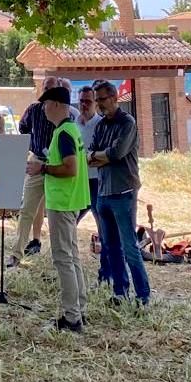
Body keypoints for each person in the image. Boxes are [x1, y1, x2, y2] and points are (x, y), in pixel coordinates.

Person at [25, 86, 90, 333]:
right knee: (72, 257)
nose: (42, 108)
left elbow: (70, 168)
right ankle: (79, 309)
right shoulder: (71, 130)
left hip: (62, 203)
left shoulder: (63, 133)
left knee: (63, 259)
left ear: (56, 105)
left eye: (45, 103)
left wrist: (42, 168)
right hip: (71, 201)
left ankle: (72, 318)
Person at [90, 81, 151, 305]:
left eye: (102, 100)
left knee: (129, 247)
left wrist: (100, 156)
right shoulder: (100, 126)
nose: (99, 105)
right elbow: (89, 155)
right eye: (97, 101)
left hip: (124, 191)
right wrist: (100, 155)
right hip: (103, 191)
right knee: (110, 247)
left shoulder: (127, 122)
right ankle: (120, 293)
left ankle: (143, 295)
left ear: (115, 98)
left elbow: (117, 153)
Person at [10, 75, 61, 264]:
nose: (48, 90)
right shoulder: (34, 109)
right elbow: (22, 128)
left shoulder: (65, 114)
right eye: (46, 87)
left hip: (57, 165)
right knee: (26, 210)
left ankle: (58, 256)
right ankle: (16, 253)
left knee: (57, 213)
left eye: (52, 87)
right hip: (36, 160)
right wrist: (33, 144)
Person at [76, 85, 110, 285]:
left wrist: (91, 158)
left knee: (103, 229)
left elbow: (103, 155)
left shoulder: (101, 124)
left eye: (88, 101)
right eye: (81, 101)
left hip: (97, 181)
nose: (84, 105)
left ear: (95, 103)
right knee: (69, 222)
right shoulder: (75, 123)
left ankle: (105, 274)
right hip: (79, 181)